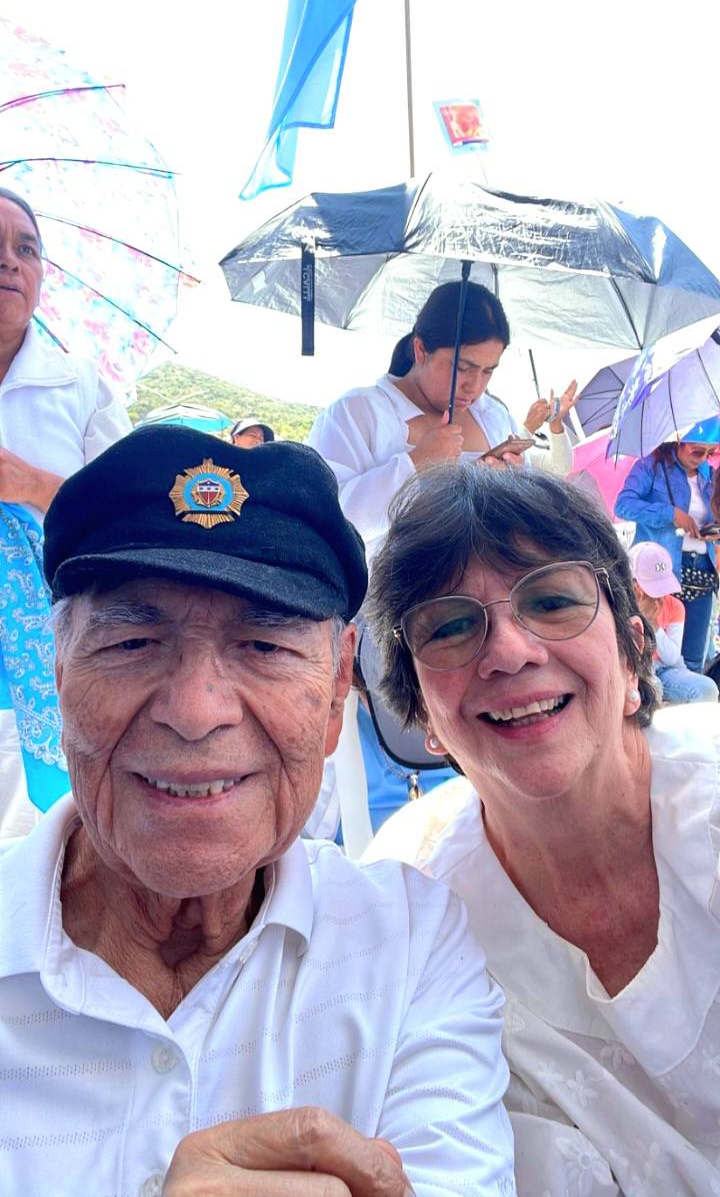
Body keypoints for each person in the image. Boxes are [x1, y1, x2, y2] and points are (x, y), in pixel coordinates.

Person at [0, 426, 515, 1196]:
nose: (196, 710)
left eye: (264, 646)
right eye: (133, 641)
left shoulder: (408, 943)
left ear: (338, 689)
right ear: (59, 672)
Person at [364, 463, 720, 1196]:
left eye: (553, 601)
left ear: (633, 651)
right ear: (423, 713)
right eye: (451, 627)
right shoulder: (409, 916)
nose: (509, 651)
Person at [0, 187, 131, 838]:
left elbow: (124, 514)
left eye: (25, 249)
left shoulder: (79, 385)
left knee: (37, 836)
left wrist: (29, 483)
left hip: (46, 659)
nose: (9, 261)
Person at [307, 281, 575, 563]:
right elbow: (327, 523)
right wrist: (418, 464)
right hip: (386, 589)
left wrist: (510, 487)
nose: (474, 386)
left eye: (488, 372)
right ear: (421, 349)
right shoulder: (357, 412)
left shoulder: (495, 417)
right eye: (463, 367)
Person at [615, 436, 718, 672]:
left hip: (703, 570)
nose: (703, 458)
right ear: (679, 440)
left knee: (694, 658)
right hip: (659, 571)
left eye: (710, 453)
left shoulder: (710, 475)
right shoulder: (651, 465)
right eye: (697, 451)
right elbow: (623, 505)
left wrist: (714, 530)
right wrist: (670, 513)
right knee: (652, 654)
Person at [628, 540, 718, 703]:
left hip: (665, 669)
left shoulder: (674, 606)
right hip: (633, 669)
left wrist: (653, 624)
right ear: (635, 586)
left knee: (707, 689)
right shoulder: (622, 605)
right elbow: (625, 655)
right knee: (653, 688)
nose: (661, 596)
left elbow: (671, 658)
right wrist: (637, 617)